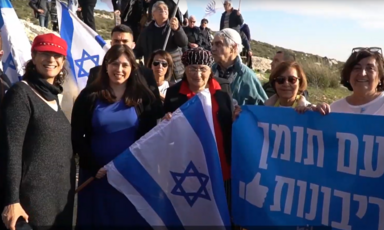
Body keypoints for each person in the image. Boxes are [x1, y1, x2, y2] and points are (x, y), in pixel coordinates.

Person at [72, 45, 163, 229]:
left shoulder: (143, 97)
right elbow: (75, 135)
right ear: (106, 66)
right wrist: (92, 166)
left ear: (132, 68)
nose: (119, 70)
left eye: (124, 65)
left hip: (131, 176)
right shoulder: (89, 95)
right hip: (96, 176)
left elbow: (153, 134)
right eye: (114, 64)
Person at [0, 33, 75, 230]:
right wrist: (12, 200)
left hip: (58, 203)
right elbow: (11, 151)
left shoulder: (54, 98)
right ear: (33, 57)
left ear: (63, 61)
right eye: (45, 53)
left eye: (56, 55)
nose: (51, 60)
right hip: (30, 206)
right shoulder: (21, 94)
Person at [163, 48, 234, 221]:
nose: (197, 74)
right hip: (187, 167)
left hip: (220, 164)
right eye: (192, 68)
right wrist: (166, 120)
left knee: (221, 210)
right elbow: (165, 131)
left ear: (210, 70)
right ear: (185, 69)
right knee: (192, 212)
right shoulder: (173, 94)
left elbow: (229, 124)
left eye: (203, 68)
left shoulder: (223, 90)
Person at [86, 24, 158, 93]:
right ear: (111, 44)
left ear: (133, 45)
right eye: (116, 41)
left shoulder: (146, 75)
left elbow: (154, 104)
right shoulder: (95, 74)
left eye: (125, 41)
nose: (120, 45)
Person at [315, 48, 384, 116]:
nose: (362, 74)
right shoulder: (334, 109)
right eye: (357, 68)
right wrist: (314, 115)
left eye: (370, 68)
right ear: (348, 75)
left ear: (380, 76)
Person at [211, 28, 267, 105]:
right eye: (212, 44)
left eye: (218, 44)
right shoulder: (210, 72)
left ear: (233, 48)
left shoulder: (247, 77)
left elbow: (263, 108)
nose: (213, 49)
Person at [134, 1, 188, 81]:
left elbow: (183, 43)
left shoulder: (173, 28)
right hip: (153, 73)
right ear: (153, 14)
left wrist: (178, 30)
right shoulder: (145, 32)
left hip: (172, 73)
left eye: (165, 8)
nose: (163, 10)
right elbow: (138, 51)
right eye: (159, 9)